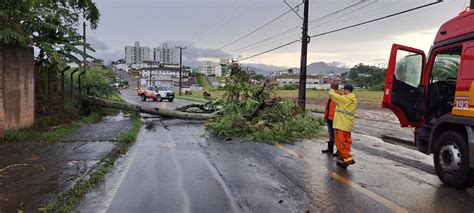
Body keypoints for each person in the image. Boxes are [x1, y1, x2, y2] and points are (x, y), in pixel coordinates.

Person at [328, 84, 357, 168]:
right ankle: (343, 160)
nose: (343, 91)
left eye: (344, 90)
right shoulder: (353, 99)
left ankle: (348, 159)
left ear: (346, 90)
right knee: (347, 142)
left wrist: (332, 89)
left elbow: (332, 95)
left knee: (340, 142)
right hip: (348, 125)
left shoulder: (345, 99)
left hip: (342, 124)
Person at [322, 83, 340, 156]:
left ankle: (338, 150)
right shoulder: (331, 96)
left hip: (335, 118)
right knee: (331, 133)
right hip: (329, 117)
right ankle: (330, 149)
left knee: (336, 134)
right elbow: (328, 107)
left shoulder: (339, 96)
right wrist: (326, 117)